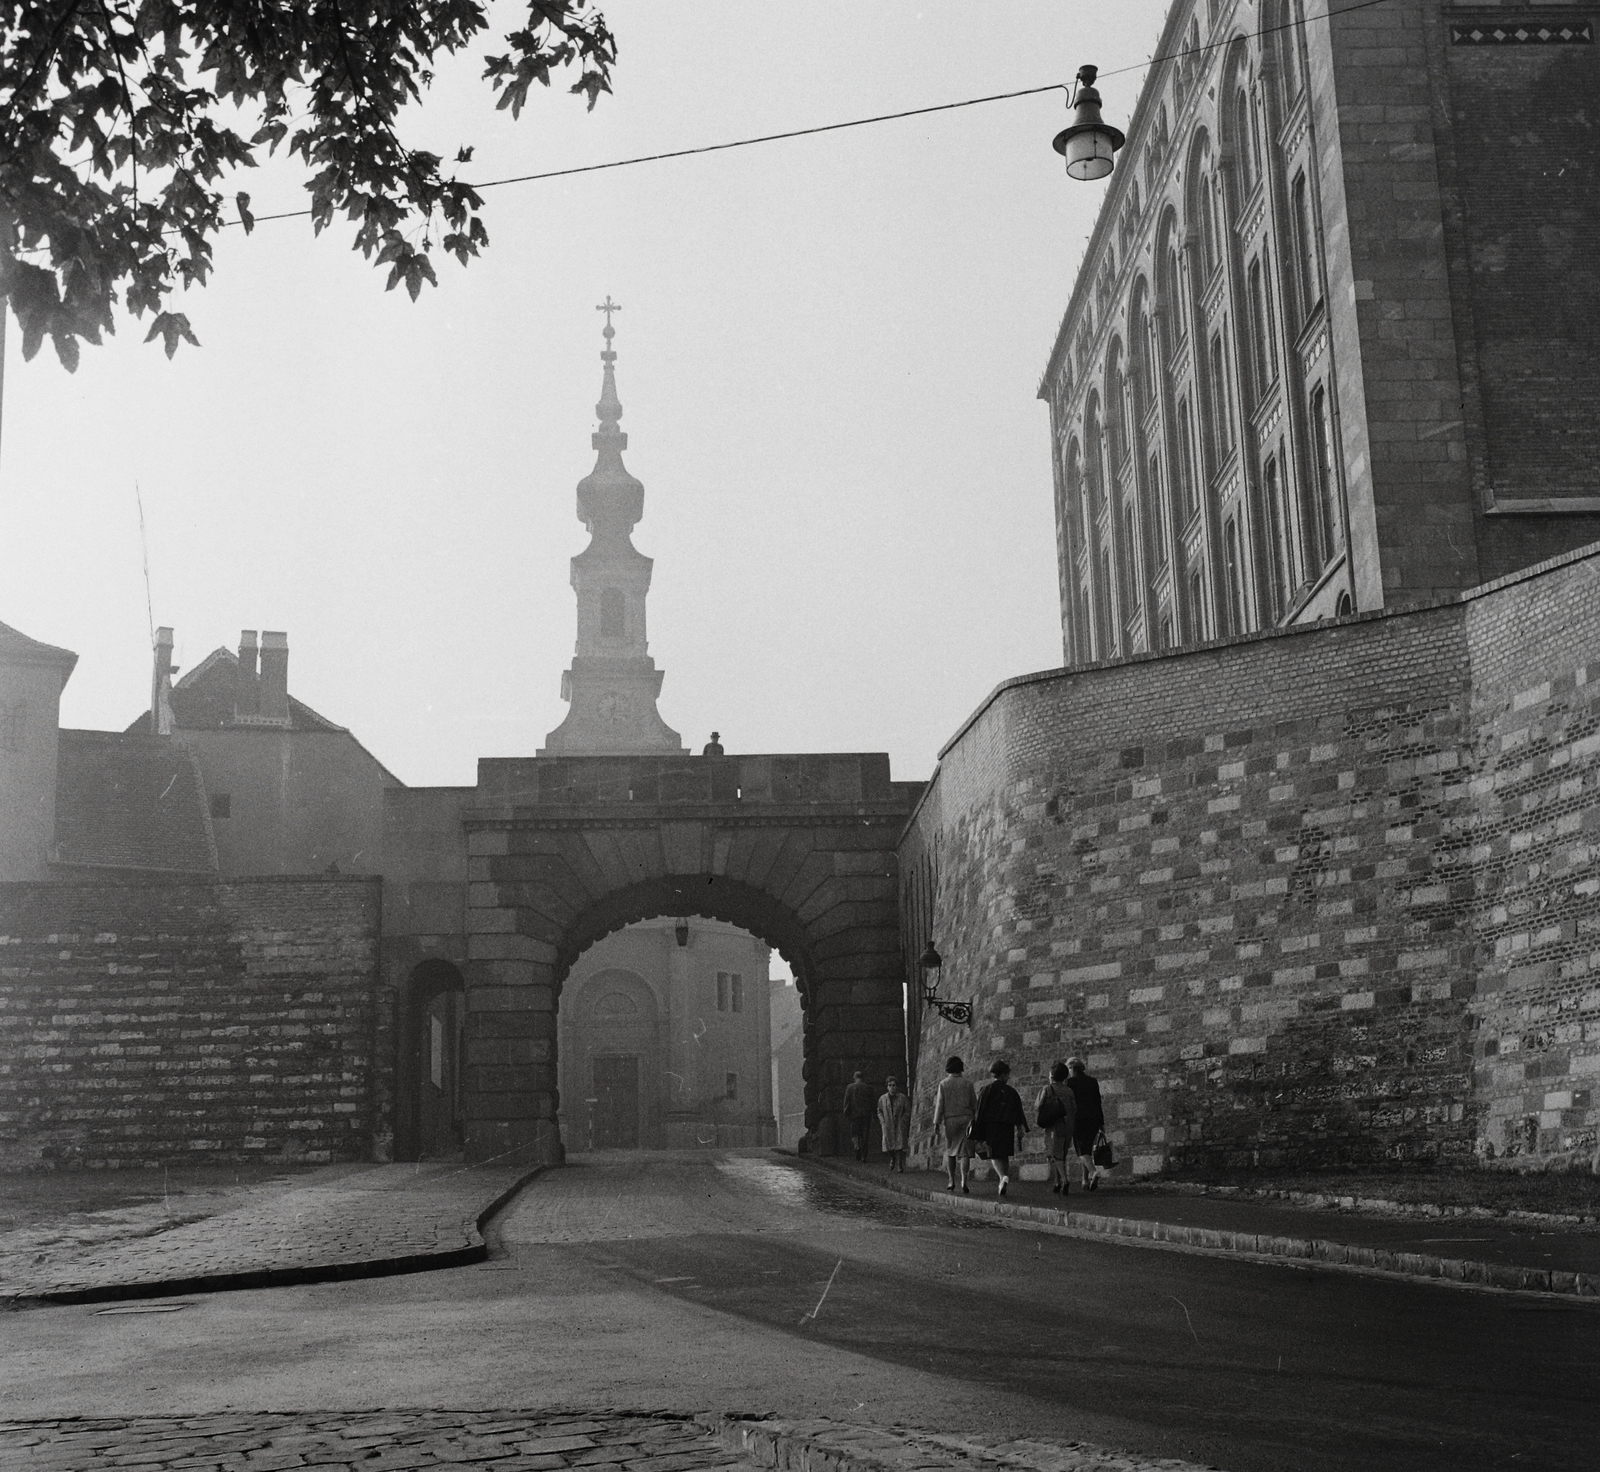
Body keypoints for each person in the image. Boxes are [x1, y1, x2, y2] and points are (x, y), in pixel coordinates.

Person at [972, 1059, 1028, 1197]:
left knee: (994, 1154)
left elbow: (980, 1112)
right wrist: (1020, 1128)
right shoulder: (1011, 1092)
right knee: (1004, 1154)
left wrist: (978, 1134)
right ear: (1003, 1075)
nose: (1008, 1077)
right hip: (1007, 1126)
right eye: (1007, 1074)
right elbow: (1018, 1112)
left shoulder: (986, 1090)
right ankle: (1004, 1178)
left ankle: (1002, 1177)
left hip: (992, 1126)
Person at [930, 1055, 978, 1192]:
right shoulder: (968, 1084)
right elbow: (974, 1104)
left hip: (951, 1120)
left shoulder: (944, 1084)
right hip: (966, 1119)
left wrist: (936, 1123)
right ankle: (964, 1180)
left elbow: (940, 1105)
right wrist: (975, 1118)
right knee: (965, 1153)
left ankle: (951, 1180)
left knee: (951, 1151)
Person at [1035, 1062, 1078, 1195]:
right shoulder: (1069, 1090)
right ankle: (1057, 1182)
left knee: (1054, 1154)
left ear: (1051, 1075)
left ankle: (1064, 1180)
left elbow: (1038, 1106)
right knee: (1062, 1154)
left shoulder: (1048, 1089)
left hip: (1054, 1126)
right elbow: (1074, 1108)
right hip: (1068, 1125)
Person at [1065, 1056, 1105, 1190]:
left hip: (1078, 1119)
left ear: (1071, 1068)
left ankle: (1093, 1173)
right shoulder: (1092, 1081)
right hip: (1093, 1119)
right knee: (1087, 1149)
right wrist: (1101, 1123)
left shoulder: (1069, 1083)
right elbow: (1097, 1102)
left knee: (1081, 1151)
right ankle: (1085, 1180)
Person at [877, 1076, 910, 1172]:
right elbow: (879, 1110)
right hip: (887, 1124)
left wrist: (903, 1120)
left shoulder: (902, 1098)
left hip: (899, 1123)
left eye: (894, 1085)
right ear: (887, 1087)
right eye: (890, 1085)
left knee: (899, 1145)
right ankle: (892, 1158)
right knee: (888, 1145)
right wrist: (882, 1121)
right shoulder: (883, 1098)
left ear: (897, 1087)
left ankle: (899, 1165)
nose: (892, 1087)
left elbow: (907, 1110)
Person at [842, 1070, 876, 1162]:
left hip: (854, 1115)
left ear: (855, 1077)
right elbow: (873, 1103)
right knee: (865, 1135)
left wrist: (846, 1113)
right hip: (866, 1115)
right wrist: (874, 1115)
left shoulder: (850, 1087)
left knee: (854, 1134)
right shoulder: (869, 1088)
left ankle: (857, 1147)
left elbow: (846, 1102)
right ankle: (864, 1156)